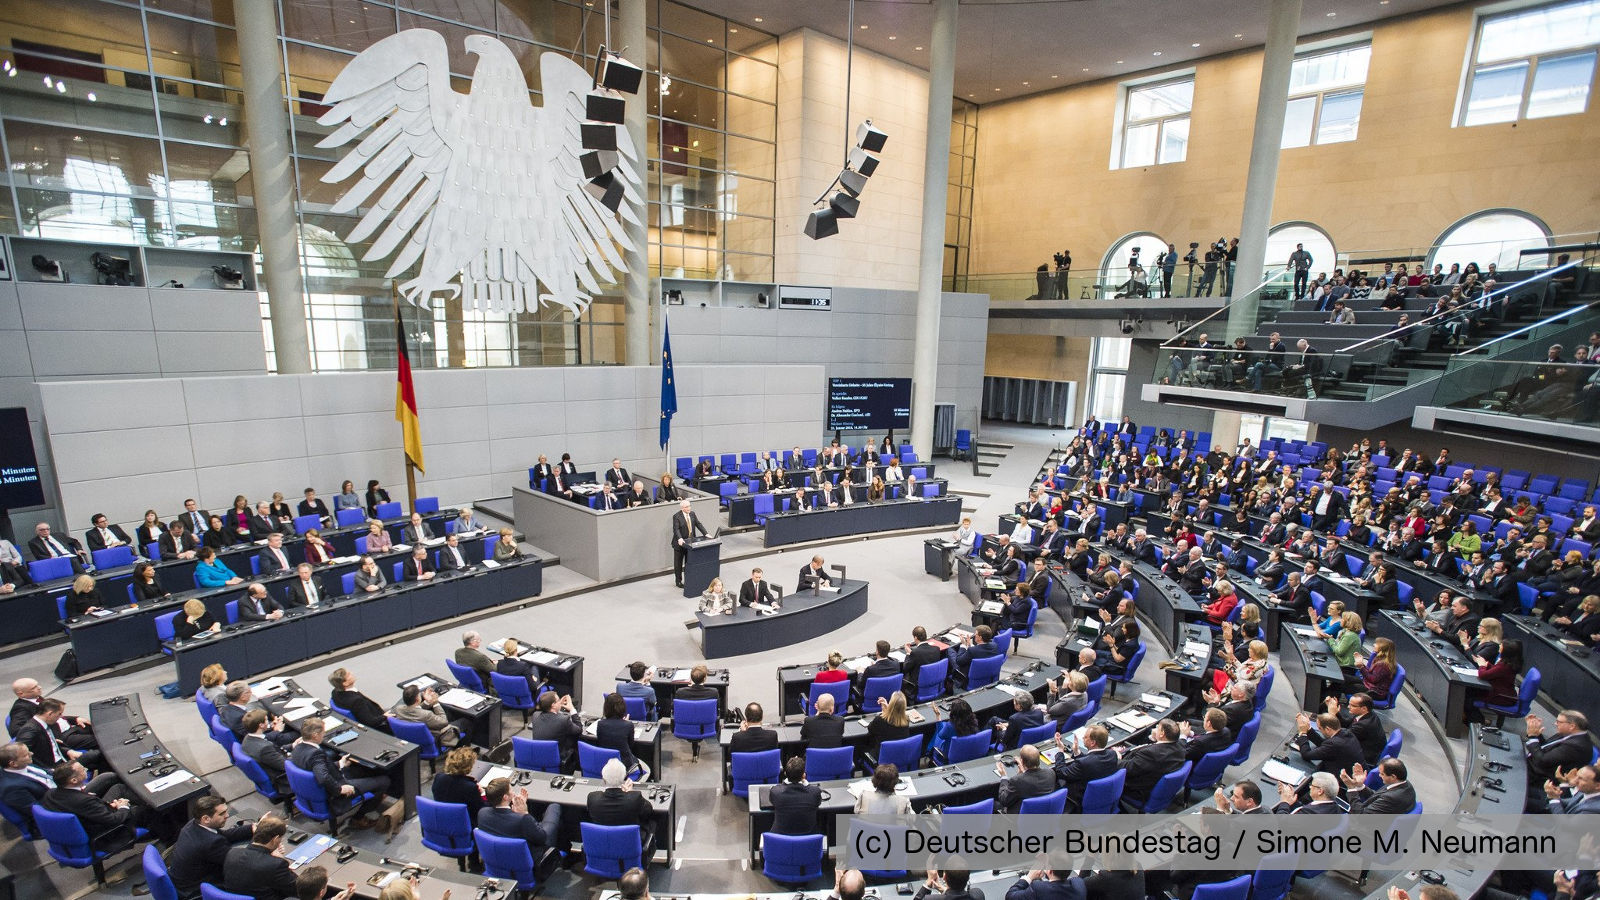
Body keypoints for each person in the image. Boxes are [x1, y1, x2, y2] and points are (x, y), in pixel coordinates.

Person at [43, 760, 156, 850]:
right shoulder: (83, 801)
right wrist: (123, 807)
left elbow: (80, 806)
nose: (86, 770)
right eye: (83, 770)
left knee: (118, 788)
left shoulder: (51, 793)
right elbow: (114, 820)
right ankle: (165, 833)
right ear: (73, 780)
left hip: (95, 815)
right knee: (148, 808)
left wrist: (105, 804)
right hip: (108, 832)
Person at [290, 718, 389, 818]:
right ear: (315, 735)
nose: (324, 734)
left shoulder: (297, 747)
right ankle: (359, 818)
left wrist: (339, 763)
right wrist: (340, 789)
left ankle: (373, 796)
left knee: (361, 770)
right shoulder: (315, 753)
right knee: (384, 780)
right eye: (323, 732)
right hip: (334, 792)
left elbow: (314, 765)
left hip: (317, 787)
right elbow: (323, 777)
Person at [167, 795, 255, 899]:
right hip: (194, 891)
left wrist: (252, 828)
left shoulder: (193, 824)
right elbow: (238, 863)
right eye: (222, 814)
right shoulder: (211, 843)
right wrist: (261, 840)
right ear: (206, 818)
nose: (227, 815)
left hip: (181, 882)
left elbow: (224, 835)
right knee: (256, 877)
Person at [587, 759, 657, 859]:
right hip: (630, 846)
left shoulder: (593, 798)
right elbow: (648, 811)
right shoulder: (634, 798)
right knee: (652, 823)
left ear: (603, 780)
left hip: (603, 846)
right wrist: (629, 793)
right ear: (624, 777)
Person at [221, 815, 298, 900]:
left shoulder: (232, 853)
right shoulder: (276, 864)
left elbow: (251, 858)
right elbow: (298, 888)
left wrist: (269, 854)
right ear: (275, 839)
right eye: (281, 838)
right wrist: (281, 859)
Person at [1117, 719, 1186, 808]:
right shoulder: (1181, 746)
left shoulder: (1151, 754)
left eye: (1158, 728)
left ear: (1162, 734)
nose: (1155, 729)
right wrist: (1154, 739)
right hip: (1156, 781)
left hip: (1137, 789)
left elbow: (1127, 769)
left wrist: (1117, 758)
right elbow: (1178, 742)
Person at [389, 684, 464, 747]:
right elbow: (444, 722)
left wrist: (427, 702)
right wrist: (435, 703)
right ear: (417, 699)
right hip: (435, 737)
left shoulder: (398, 709)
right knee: (466, 722)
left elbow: (414, 710)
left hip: (412, 738)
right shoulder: (427, 715)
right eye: (419, 695)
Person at [596, 693, 650, 780]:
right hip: (624, 764)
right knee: (647, 770)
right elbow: (630, 745)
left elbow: (600, 741)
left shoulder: (600, 724)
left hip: (606, 761)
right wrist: (626, 723)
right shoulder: (628, 725)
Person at [431, 746, 486, 830]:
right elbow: (480, 810)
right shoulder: (470, 787)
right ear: (469, 767)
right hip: (464, 826)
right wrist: (483, 793)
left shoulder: (439, 778)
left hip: (442, 819)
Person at [528, 692, 583, 772]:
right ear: (553, 705)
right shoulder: (564, 720)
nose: (560, 702)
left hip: (538, 757)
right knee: (575, 738)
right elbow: (579, 729)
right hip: (557, 759)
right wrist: (572, 709)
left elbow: (552, 717)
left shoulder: (535, 715)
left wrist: (558, 705)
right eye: (558, 700)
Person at [1341, 757, 1417, 814]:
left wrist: (1351, 788)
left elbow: (1361, 816)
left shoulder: (1391, 798)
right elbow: (1377, 796)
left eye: (1382, 774)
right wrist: (1360, 786)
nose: (1379, 775)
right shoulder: (1404, 784)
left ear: (1393, 777)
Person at [240, 710, 290, 795]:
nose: (269, 722)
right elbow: (286, 765)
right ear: (261, 725)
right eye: (267, 720)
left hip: (272, 766)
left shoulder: (247, 739)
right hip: (283, 779)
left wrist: (293, 746)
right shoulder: (264, 748)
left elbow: (273, 751)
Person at [995, 744, 1056, 813]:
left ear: (1022, 761)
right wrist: (1023, 773)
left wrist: (1003, 776)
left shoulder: (1017, 781)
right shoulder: (1050, 773)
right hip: (1044, 812)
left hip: (1022, 817)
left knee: (995, 805)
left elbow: (1004, 800)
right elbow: (1033, 782)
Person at [769, 756, 822, 835]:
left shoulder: (775, 792)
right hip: (809, 841)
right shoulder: (815, 792)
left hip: (781, 840)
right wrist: (807, 784)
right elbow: (818, 802)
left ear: (785, 774)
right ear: (804, 775)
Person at [670, 500, 708, 589]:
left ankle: (689, 579)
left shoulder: (692, 514)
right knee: (678, 564)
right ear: (682, 508)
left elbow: (698, 524)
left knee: (689, 562)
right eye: (686, 507)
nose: (689, 508)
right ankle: (678, 581)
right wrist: (679, 538)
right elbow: (676, 529)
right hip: (680, 544)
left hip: (690, 543)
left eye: (689, 506)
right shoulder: (676, 516)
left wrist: (706, 533)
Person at [864, 692, 911, 757]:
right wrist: (888, 710)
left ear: (891, 704)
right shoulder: (906, 720)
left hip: (882, 759)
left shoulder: (880, 720)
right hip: (899, 756)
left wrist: (884, 713)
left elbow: (870, 729)